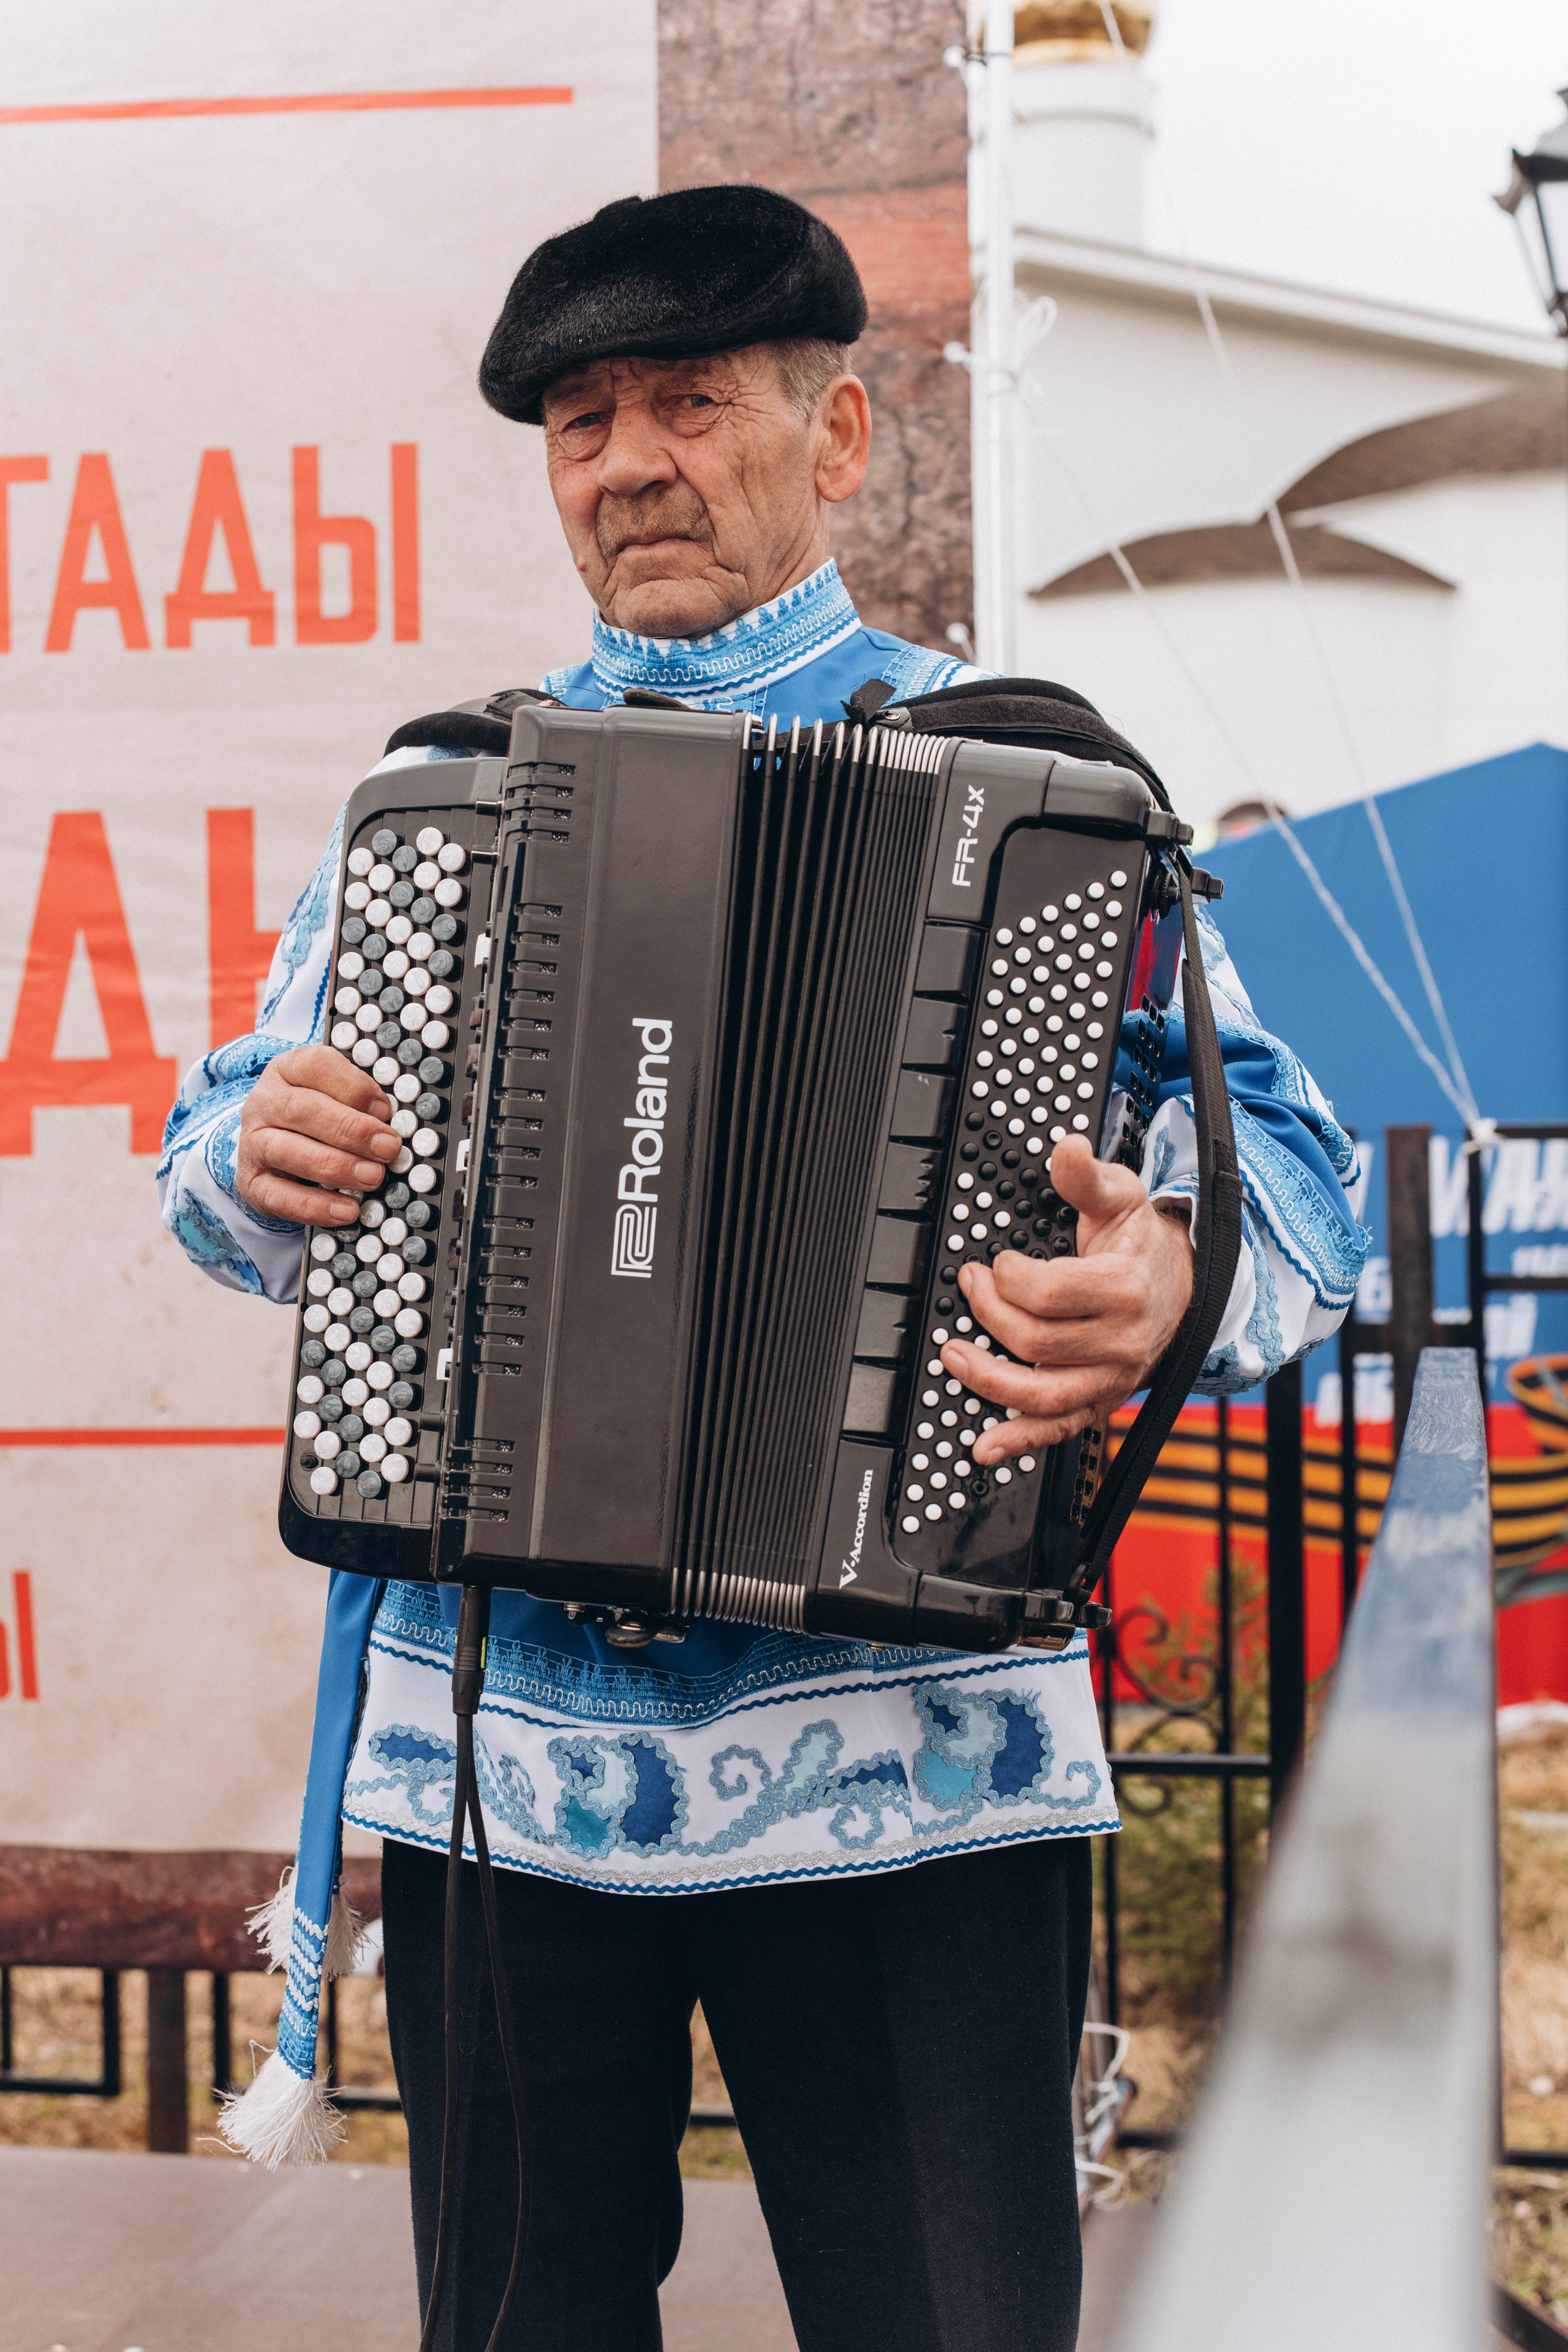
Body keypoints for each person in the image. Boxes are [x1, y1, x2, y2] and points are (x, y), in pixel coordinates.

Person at [158, 186, 1368, 2352]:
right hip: (504, 1773)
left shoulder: (1056, 788)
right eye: (580, 421)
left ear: (836, 439)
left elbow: (1301, 1180)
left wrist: (1172, 1272)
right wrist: (263, 1153)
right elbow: (213, 1166)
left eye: (688, 403)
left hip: (919, 1772)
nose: (626, 462)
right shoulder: (441, 798)